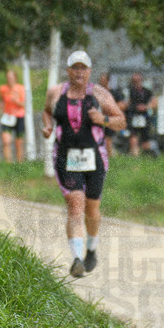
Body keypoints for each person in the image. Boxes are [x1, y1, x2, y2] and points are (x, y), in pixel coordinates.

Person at [42, 50, 126, 278]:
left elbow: (121, 120)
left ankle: (91, 250)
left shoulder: (100, 94)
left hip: (95, 158)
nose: (79, 72)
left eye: (83, 68)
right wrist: (47, 128)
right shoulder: (55, 93)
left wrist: (104, 119)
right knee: (75, 206)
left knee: (92, 209)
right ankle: (77, 259)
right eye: (75, 68)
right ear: (68, 70)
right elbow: (47, 112)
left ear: (89, 71)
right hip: (65, 158)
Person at [0, 68, 27, 163]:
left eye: (11, 77)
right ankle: (8, 164)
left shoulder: (21, 88)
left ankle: (19, 164)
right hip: (7, 117)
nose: (9, 79)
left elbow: (25, 104)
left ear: (15, 78)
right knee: (6, 141)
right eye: (8, 77)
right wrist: (1, 105)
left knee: (19, 142)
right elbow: (1, 100)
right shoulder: (3, 88)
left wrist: (16, 101)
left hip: (19, 116)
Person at [125, 73, 156, 157]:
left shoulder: (147, 91)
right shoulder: (129, 91)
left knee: (145, 137)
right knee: (133, 136)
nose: (136, 83)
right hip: (133, 116)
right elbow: (126, 103)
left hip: (144, 117)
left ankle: (146, 155)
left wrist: (146, 107)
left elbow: (154, 102)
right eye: (134, 81)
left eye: (138, 81)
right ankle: (135, 154)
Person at [98, 72, 125, 157]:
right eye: (100, 80)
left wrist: (110, 110)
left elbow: (122, 105)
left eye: (103, 80)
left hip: (108, 119)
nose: (102, 82)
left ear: (107, 81)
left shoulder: (114, 93)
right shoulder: (95, 93)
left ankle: (108, 155)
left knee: (107, 136)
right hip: (97, 118)